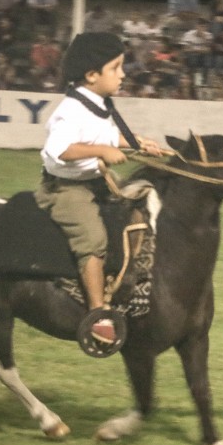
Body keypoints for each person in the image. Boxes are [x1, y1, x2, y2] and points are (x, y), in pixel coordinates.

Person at [35, 32, 162, 344]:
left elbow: (105, 135)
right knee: (93, 238)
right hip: (67, 189)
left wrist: (137, 143)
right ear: (92, 75)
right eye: (116, 67)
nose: (122, 74)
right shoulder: (70, 110)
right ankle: (97, 312)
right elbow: (60, 149)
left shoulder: (96, 102)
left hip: (95, 181)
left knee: (139, 209)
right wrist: (101, 153)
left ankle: (128, 284)